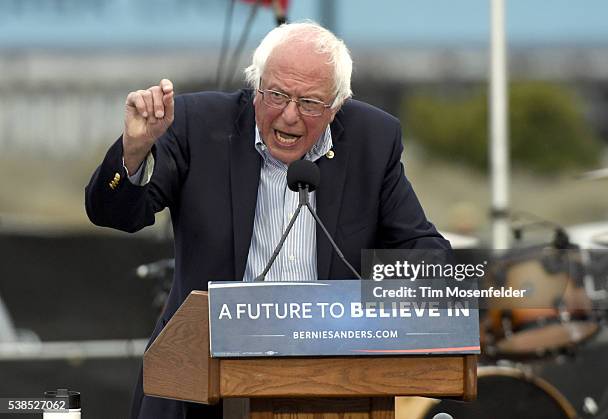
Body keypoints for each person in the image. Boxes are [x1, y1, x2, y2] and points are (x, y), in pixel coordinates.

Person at [85, 21, 449, 419]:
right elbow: (115, 213)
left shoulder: (372, 139)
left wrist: (369, 304)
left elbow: (425, 253)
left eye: (309, 103)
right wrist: (134, 152)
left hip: (331, 387)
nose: (290, 116)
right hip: (201, 385)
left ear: (337, 104)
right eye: (276, 95)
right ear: (255, 85)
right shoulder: (198, 124)